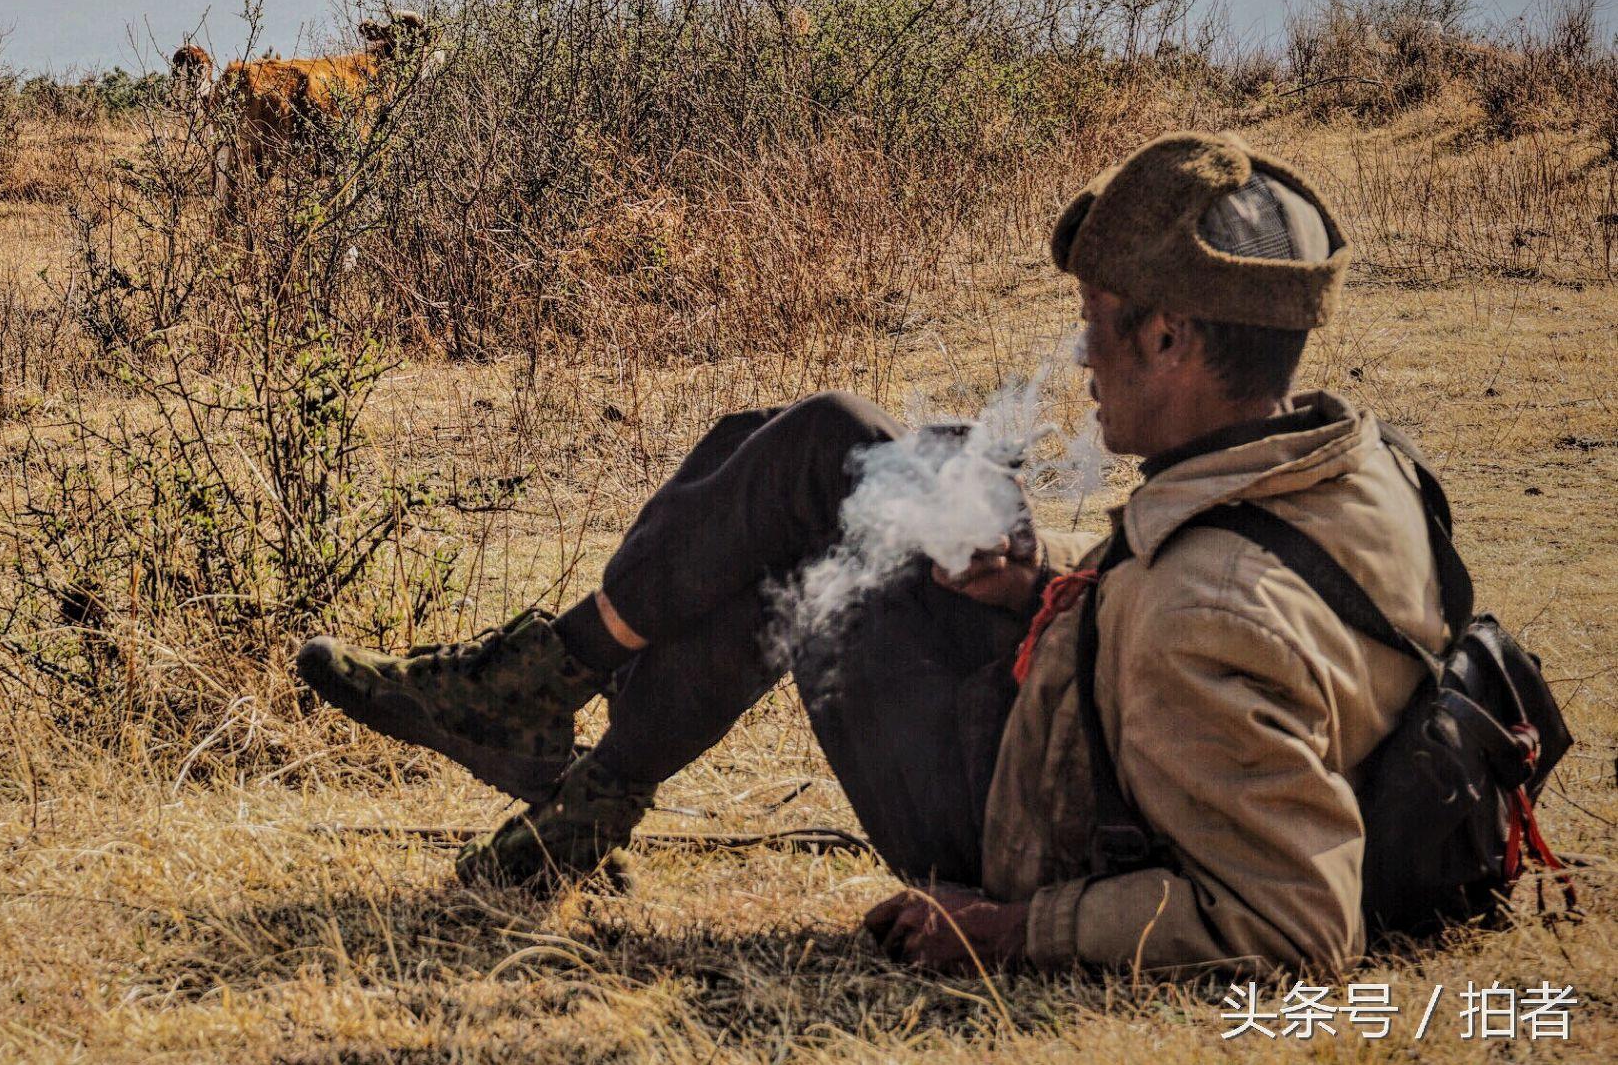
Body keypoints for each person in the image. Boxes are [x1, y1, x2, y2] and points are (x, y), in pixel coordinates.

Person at [297, 131, 1448, 975]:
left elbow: (1298, 928)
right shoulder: (1357, 466)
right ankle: (577, 793)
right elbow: (1227, 657)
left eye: (1096, 317)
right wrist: (1043, 583)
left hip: (1015, 828)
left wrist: (1008, 929)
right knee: (779, 466)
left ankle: (544, 695)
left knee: (815, 465)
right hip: (1065, 731)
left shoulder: (1214, 609)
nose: (1084, 357)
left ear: (1169, 332)